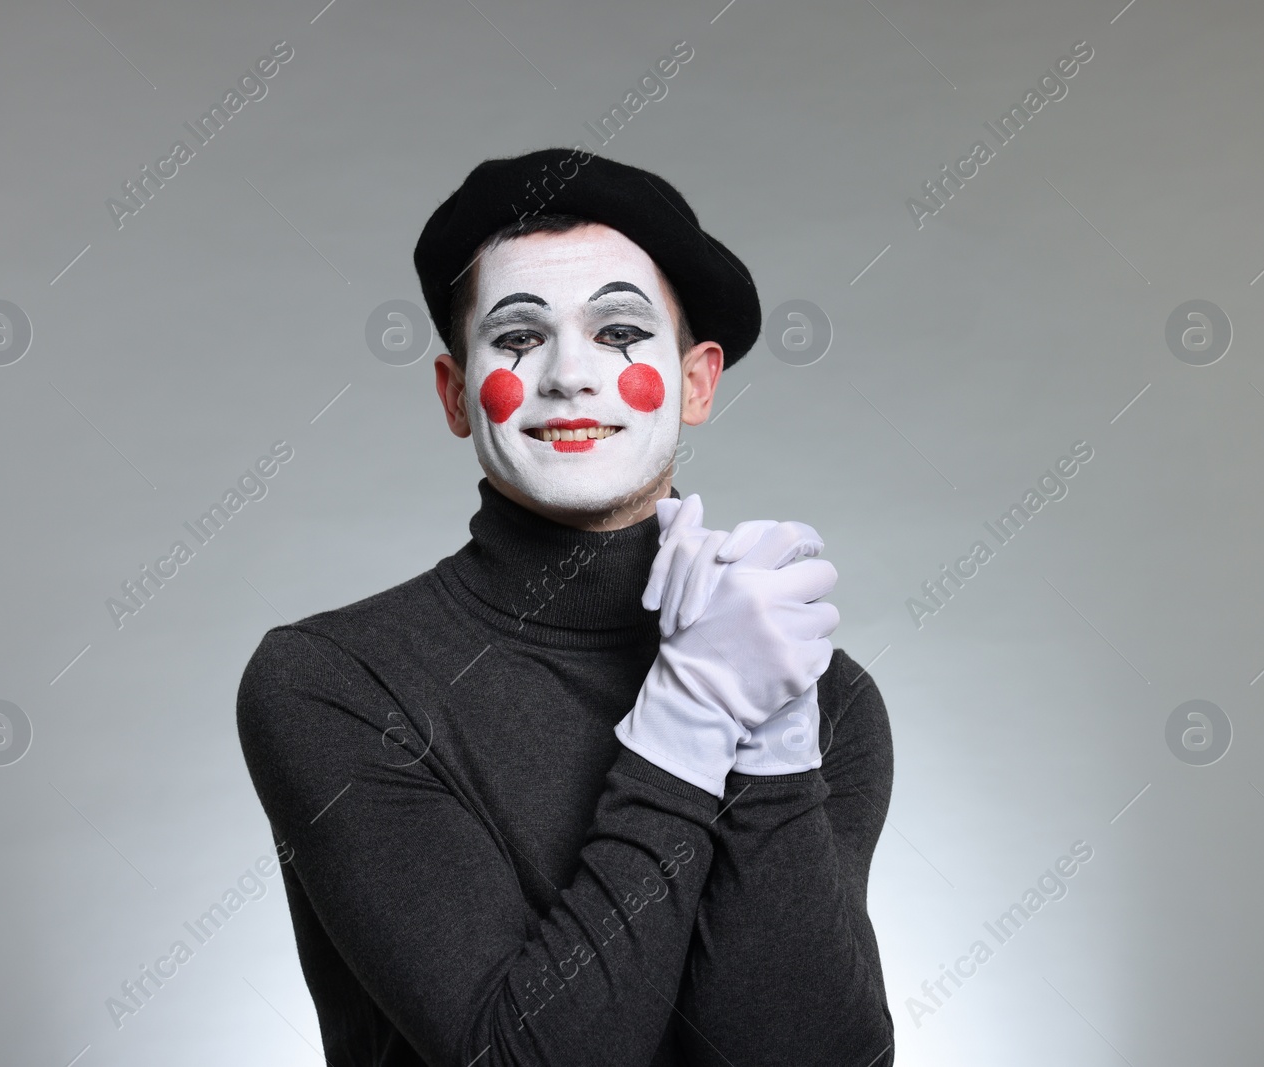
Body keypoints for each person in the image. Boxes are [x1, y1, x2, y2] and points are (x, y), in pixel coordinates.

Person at [236, 147, 895, 1066]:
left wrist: (775, 727)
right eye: (515, 338)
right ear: (457, 394)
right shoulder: (331, 684)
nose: (567, 376)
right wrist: (692, 712)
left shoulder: (828, 698)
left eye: (621, 331)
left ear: (698, 382)